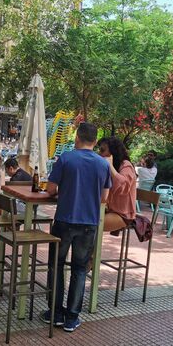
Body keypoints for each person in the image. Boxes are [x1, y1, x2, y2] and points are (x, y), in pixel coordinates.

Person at [42, 122, 111, 332]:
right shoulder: (103, 164)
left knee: (57, 265)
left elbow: (51, 189)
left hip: (64, 220)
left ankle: (55, 313)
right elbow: (104, 198)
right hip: (89, 223)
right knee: (80, 269)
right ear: (95, 141)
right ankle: (72, 317)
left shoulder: (66, 159)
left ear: (77, 138)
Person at [98, 137, 137, 232]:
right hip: (108, 209)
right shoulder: (114, 166)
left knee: (90, 224)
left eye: (102, 150)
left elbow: (123, 187)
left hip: (122, 215)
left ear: (113, 152)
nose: (99, 154)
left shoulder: (126, 165)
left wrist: (109, 166)